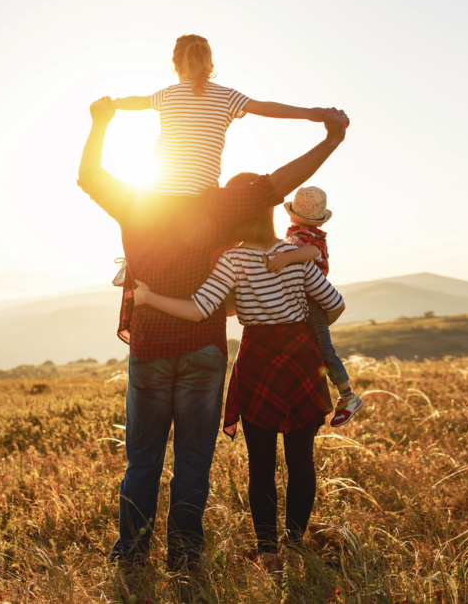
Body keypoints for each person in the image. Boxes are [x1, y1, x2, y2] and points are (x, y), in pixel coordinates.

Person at [76, 94, 349, 571]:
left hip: (150, 347)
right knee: (193, 463)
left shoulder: (135, 200)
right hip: (204, 349)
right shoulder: (223, 205)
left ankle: (132, 556)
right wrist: (331, 139)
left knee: (142, 462)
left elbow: (89, 177)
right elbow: (282, 182)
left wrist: (100, 122)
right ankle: (184, 558)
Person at [133, 196, 346, 566]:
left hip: (258, 360)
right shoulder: (297, 252)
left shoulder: (232, 259)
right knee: (301, 460)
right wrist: (305, 331)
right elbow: (336, 303)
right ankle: (294, 546)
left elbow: (199, 310)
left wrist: (150, 297)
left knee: (261, 464)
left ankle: (267, 552)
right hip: (300, 358)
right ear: (268, 213)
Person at [111, 33, 327, 197]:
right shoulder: (227, 96)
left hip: (157, 191)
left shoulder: (167, 94)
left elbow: (137, 101)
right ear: (211, 66)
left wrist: (111, 103)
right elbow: (266, 108)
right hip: (201, 195)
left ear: (176, 66)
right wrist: (309, 113)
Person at [265, 185, 363, 426]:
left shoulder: (305, 238)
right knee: (313, 348)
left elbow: (309, 252)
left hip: (311, 298)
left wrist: (286, 257)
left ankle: (348, 395)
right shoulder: (305, 233)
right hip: (309, 298)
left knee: (323, 348)